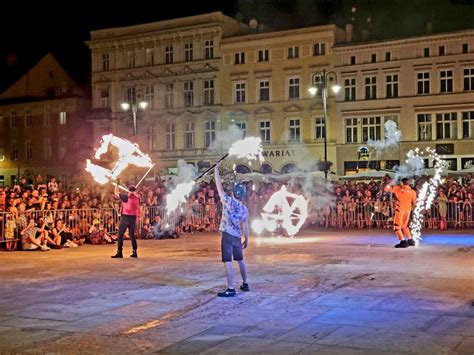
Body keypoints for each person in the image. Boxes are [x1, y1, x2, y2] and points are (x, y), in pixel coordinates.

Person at [214, 161, 250, 297]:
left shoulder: (228, 201)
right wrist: (247, 238)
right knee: (240, 260)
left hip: (227, 237)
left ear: (234, 192)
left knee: (228, 262)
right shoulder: (244, 209)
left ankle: (230, 288)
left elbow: (219, 186)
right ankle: (245, 283)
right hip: (237, 236)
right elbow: (245, 225)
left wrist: (216, 170)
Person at [384, 178, 417, 248]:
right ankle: (410, 240)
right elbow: (414, 203)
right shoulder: (413, 192)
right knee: (405, 226)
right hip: (408, 210)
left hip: (400, 210)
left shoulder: (398, 188)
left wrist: (389, 183)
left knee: (397, 226)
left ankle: (403, 241)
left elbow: (386, 189)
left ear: (402, 183)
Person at [111, 183, 140, 258]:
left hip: (126, 218)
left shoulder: (126, 197)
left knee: (120, 235)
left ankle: (119, 252)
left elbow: (116, 192)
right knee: (132, 235)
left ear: (128, 191)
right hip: (133, 218)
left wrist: (116, 184)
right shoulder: (138, 198)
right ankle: (135, 252)